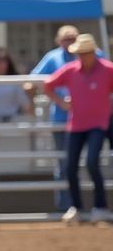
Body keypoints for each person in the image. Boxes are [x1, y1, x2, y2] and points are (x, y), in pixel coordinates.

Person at [43, 34, 113, 223]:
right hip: (76, 125)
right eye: (80, 54)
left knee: (92, 162)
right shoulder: (70, 70)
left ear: (92, 53)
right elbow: (48, 85)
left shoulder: (108, 70)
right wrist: (61, 103)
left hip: (99, 124)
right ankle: (77, 208)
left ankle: (101, 206)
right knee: (70, 166)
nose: (82, 57)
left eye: (85, 53)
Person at [31, 25, 81, 210]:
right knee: (63, 162)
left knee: (86, 162)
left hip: (85, 119)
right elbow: (34, 79)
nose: (69, 42)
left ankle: (80, 205)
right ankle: (65, 206)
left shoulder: (90, 55)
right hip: (61, 118)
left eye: (73, 38)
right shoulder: (53, 57)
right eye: (66, 38)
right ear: (58, 40)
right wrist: (61, 101)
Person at [0, 49, 32, 122]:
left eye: (3, 62)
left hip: (11, 122)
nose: (0, 65)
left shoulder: (15, 81)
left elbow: (25, 104)